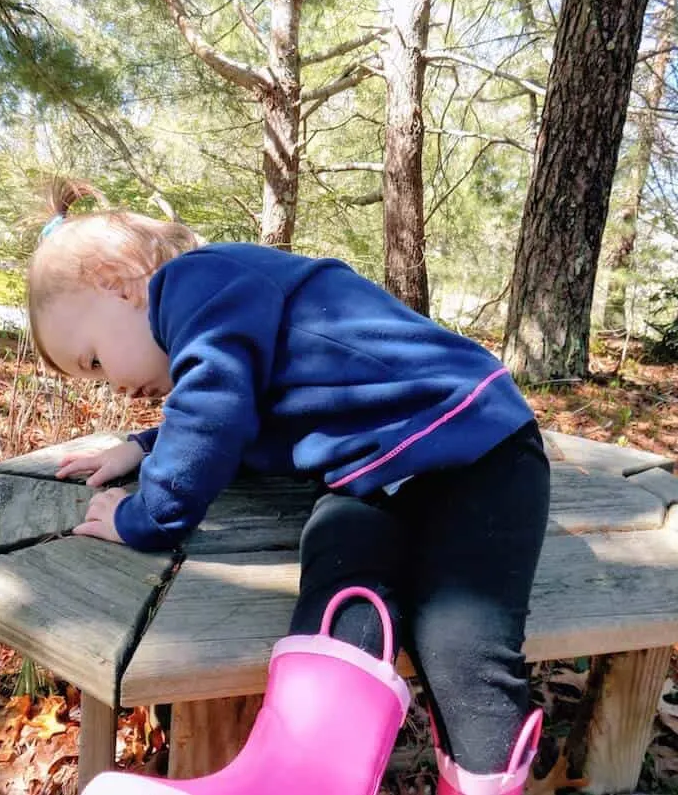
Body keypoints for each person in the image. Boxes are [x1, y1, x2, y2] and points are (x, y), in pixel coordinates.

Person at [29, 180, 550, 795]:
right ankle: (301, 773)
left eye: (92, 360)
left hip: (475, 444)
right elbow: (235, 414)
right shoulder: (225, 326)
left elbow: (212, 409)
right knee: (341, 567)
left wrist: (145, 515)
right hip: (373, 478)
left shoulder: (197, 281)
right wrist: (143, 446)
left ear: (121, 282)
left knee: (461, 641)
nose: (109, 383)